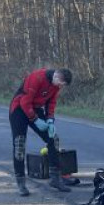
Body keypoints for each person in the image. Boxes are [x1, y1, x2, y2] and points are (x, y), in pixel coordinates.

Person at [9, 67, 72, 195]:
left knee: (53, 139)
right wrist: (35, 120)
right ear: (57, 77)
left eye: (62, 86)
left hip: (35, 108)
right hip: (19, 109)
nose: (60, 87)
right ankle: (21, 183)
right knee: (19, 144)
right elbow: (25, 101)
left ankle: (55, 178)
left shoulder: (56, 85)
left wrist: (50, 120)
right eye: (61, 84)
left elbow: (51, 102)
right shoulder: (37, 77)